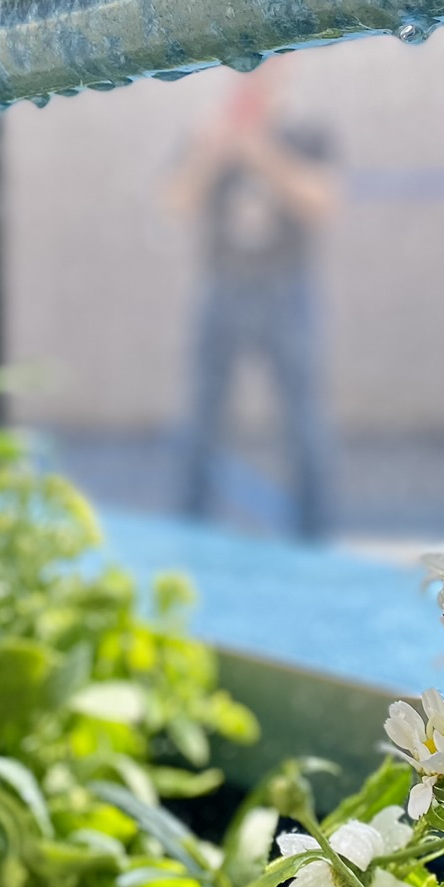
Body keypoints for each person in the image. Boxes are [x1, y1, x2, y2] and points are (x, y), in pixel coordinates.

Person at [169, 61, 337, 537]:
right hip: (222, 286)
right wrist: (213, 151)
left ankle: (314, 534)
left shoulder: (305, 130)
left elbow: (323, 201)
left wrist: (259, 150)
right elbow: (175, 199)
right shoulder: (209, 132)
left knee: (304, 422)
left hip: (287, 288)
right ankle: (190, 529)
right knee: (202, 418)